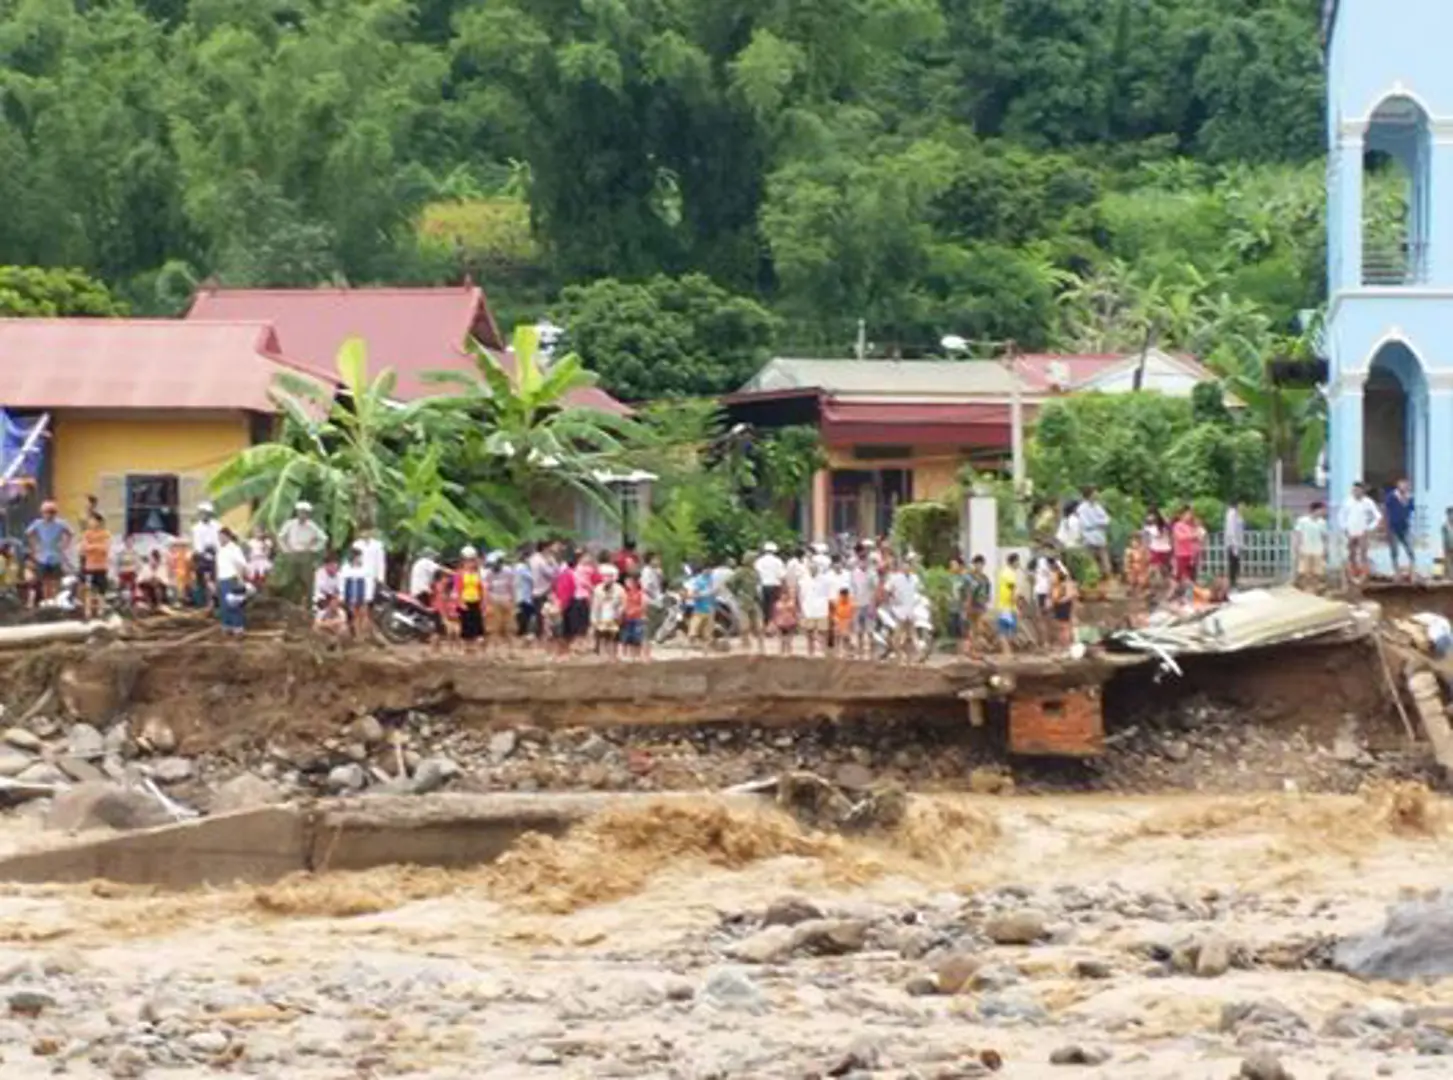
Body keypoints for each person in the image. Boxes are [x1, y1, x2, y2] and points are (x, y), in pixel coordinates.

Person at [275, 501, 328, 602]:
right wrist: (286, 550)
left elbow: (324, 538)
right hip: (292, 554)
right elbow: (280, 537)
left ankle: (307, 604)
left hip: (306, 555)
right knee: (290, 581)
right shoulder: (290, 524)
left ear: (308, 514)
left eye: (305, 513)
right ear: (297, 513)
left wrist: (313, 548)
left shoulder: (312, 526)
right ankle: (288, 602)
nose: (302, 515)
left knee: (307, 582)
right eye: (300, 512)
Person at [25, 501, 72, 603]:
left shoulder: (60, 523)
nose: (48, 515)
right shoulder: (38, 523)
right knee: (44, 580)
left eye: (51, 512)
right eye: (46, 512)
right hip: (42, 556)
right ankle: (47, 600)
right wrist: (35, 546)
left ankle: (56, 600)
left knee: (56, 580)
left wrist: (64, 545)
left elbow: (70, 533)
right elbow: (29, 533)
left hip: (56, 555)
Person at [1340, 482, 1382, 584]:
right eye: (1354, 490)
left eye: (1358, 490)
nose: (1356, 492)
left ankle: (1363, 576)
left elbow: (1378, 516)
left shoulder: (1368, 502)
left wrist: (1369, 528)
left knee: (1363, 554)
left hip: (1362, 531)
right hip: (1350, 531)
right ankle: (1353, 575)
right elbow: (1341, 516)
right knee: (1351, 554)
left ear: (1362, 491)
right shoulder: (1348, 502)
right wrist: (1344, 528)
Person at [882, 557, 922, 662]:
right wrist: (891, 600)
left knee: (912, 633)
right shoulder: (895, 578)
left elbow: (919, 591)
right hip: (900, 609)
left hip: (911, 609)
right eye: (904, 565)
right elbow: (886, 589)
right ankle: (900, 653)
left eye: (908, 565)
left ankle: (917, 654)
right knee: (898, 633)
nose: (906, 567)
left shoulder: (915, 578)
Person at [215, 526, 249, 636]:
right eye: (219, 537)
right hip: (222, 579)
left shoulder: (234, 548)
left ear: (228, 537)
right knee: (223, 605)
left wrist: (240, 578)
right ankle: (227, 626)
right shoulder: (220, 549)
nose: (220, 539)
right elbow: (218, 566)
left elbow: (241, 564)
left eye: (222, 537)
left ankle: (238, 627)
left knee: (233, 604)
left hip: (232, 578)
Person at [728, 555, 765, 654]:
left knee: (759, 625)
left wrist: (758, 596)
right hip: (743, 601)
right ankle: (745, 644)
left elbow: (758, 585)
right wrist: (736, 592)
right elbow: (729, 583)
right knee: (745, 626)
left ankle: (761, 646)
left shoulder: (755, 572)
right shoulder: (740, 572)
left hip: (753, 600)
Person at [79, 512, 112, 620]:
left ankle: (100, 611)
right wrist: (97, 547)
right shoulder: (86, 534)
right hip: (90, 566)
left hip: (102, 566)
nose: (90, 522)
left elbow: (106, 549)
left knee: (101, 591)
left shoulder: (105, 533)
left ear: (98, 521)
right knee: (88, 589)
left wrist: (92, 547)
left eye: (92, 520)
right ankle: (87, 612)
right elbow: (84, 548)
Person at [1075, 488, 1112, 579]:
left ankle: (1107, 581)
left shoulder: (1098, 506)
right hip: (1089, 539)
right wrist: (1099, 522)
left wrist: (1096, 522)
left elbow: (1107, 520)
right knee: (1091, 564)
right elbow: (1086, 524)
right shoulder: (1081, 508)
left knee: (1106, 565)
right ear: (1090, 494)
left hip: (1100, 538)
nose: (1097, 494)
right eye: (1095, 492)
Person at [454, 547, 486, 650]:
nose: (471, 564)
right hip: (465, 601)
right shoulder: (460, 574)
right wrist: (460, 602)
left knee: (477, 625)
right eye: (468, 561)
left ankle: (477, 648)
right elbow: (458, 589)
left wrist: (483, 602)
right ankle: (466, 648)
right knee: (466, 625)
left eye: (472, 561)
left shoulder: (477, 574)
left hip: (476, 601)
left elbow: (481, 588)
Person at [1385, 477, 1416, 581]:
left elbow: (1411, 510)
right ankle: (1396, 573)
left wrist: (1406, 500)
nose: (1405, 487)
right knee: (1394, 552)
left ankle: (1412, 572)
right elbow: (1386, 511)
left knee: (1410, 550)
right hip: (1393, 527)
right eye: (1402, 484)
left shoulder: (1410, 497)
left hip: (1405, 527)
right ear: (1398, 485)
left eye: (1406, 485)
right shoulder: (1391, 497)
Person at [190, 502, 221, 607]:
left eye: (206, 513)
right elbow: (198, 546)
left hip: (215, 555)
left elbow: (218, 542)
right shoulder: (196, 528)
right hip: (202, 556)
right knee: (203, 580)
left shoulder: (217, 526)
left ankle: (213, 601)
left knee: (214, 579)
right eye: (202, 513)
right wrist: (205, 554)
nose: (204, 515)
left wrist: (216, 553)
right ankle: (204, 602)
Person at [798, 560, 831, 657]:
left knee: (823, 633)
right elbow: (801, 595)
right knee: (809, 633)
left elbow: (828, 594)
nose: (813, 570)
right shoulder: (803, 580)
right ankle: (810, 654)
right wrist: (801, 609)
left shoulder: (825, 580)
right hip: (808, 610)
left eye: (814, 568)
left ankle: (825, 653)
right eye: (811, 568)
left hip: (822, 610)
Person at [591, 564, 625, 658]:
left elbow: (622, 604)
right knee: (602, 637)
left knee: (613, 638)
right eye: (605, 576)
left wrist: (619, 614)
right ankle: (602, 656)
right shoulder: (598, 589)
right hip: (601, 617)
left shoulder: (619, 589)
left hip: (614, 617)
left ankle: (613, 656)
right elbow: (595, 606)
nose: (607, 578)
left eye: (609, 576)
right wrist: (594, 619)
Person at [1293, 502, 1329, 587]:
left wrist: (1325, 548)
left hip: (1318, 549)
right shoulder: (1302, 521)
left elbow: (1324, 536)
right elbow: (1298, 534)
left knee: (1317, 571)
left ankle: (1314, 587)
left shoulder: (1322, 522)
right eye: (1321, 510)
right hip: (1305, 548)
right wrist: (1297, 546)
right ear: (1315, 510)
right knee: (1305, 570)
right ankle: (1305, 587)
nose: (1323, 512)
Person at [963, 555, 992, 658]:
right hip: (972, 605)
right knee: (972, 628)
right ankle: (972, 650)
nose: (979, 566)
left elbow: (988, 593)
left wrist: (986, 602)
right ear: (974, 564)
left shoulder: (985, 578)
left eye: (981, 564)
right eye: (977, 564)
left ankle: (975, 649)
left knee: (979, 629)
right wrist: (966, 604)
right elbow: (967, 592)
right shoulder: (969, 577)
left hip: (981, 605)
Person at [754, 543, 787, 634]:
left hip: (763, 586)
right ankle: (773, 628)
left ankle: (765, 627)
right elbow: (782, 576)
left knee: (765, 608)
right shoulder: (778, 561)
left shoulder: (759, 561)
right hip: (775, 586)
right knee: (774, 608)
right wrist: (785, 589)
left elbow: (756, 575)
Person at [1171, 506, 1204, 592]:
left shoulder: (1190, 526)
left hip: (1191, 555)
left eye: (1190, 514)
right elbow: (1180, 537)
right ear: (1182, 515)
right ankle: (1177, 595)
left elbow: (1198, 537)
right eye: (1187, 514)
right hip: (1181, 554)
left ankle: (1191, 595)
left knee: (1191, 576)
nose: (1189, 516)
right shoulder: (1177, 525)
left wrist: (1198, 537)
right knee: (1181, 577)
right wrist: (1193, 536)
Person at [341, 543, 370, 637]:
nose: (360, 559)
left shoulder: (365, 568)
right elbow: (342, 582)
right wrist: (342, 596)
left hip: (361, 593)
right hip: (350, 593)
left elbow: (368, 583)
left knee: (364, 615)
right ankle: (357, 635)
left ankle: (363, 634)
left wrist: (367, 596)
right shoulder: (345, 568)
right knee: (354, 615)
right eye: (358, 557)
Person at [686, 563, 716, 649]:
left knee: (708, 630)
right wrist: (703, 594)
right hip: (700, 608)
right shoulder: (698, 580)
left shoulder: (711, 579)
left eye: (711, 569)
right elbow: (692, 594)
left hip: (710, 607)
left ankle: (707, 646)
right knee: (694, 628)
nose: (710, 571)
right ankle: (692, 642)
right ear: (703, 570)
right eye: (708, 569)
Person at [995, 554, 1020, 656]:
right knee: (1006, 631)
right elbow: (1012, 590)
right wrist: (1015, 605)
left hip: (1004, 605)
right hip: (1007, 606)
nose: (1019, 564)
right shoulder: (1010, 573)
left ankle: (1007, 652)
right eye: (1018, 561)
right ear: (1013, 562)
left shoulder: (1004, 572)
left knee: (1005, 630)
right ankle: (1007, 653)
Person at [620, 571, 648, 661]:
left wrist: (634, 611)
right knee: (627, 638)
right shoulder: (625, 593)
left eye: (630, 581)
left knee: (637, 638)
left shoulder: (640, 593)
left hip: (637, 618)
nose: (627, 583)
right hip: (627, 618)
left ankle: (637, 655)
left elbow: (644, 605)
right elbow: (623, 605)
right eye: (627, 581)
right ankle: (628, 656)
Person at [1051, 562, 1078, 649]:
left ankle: (1067, 645)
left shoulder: (1066, 583)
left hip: (1063, 605)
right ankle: (1064, 645)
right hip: (1059, 604)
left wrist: (1060, 601)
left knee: (1065, 627)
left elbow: (1072, 595)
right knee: (1061, 627)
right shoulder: (1058, 582)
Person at [1144, 509, 1172, 585]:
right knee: (1157, 567)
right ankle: (1157, 582)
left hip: (1160, 549)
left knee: (1158, 568)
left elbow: (1157, 534)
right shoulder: (1153, 526)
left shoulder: (1156, 527)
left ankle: (1162, 582)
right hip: (1160, 549)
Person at [513, 549, 536, 640]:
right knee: (525, 614)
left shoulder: (522, 567)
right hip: (523, 594)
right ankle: (522, 632)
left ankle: (523, 631)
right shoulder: (521, 567)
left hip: (525, 594)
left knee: (526, 613)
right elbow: (532, 578)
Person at [773, 575, 799, 654]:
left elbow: (795, 611)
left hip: (789, 621)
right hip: (781, 622)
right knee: (782, 640)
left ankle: (788, 651)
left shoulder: (791, 602)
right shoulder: (778, 603)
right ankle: (783, 651)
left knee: (788, 640)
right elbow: (775, 614)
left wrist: (796, 619)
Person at [1224, 500, 1245, 590]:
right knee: (1233, 564)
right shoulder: (1231, 514)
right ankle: (1232, 583)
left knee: (1236, 564)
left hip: (1237, 543)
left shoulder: (1237, 514)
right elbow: (1231, 530)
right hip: (1233, 543)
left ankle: (1234, 582)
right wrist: (1234, 544)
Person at [831, 587, 855, 658]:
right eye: (841, 595)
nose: (843, 597)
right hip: (839, 620)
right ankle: (837, 651)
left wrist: (850, 621)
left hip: (847, 621)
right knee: (837, 636)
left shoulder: (851, 602)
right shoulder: (837, 601)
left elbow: (852, 614)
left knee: (846, 636)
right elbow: (834, 612)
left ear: (847, 595)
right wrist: (835, 619)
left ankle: (848, 651)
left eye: (844, 595)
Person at [116, 535, 139, 607]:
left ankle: (132, 604)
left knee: (133, 588)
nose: (129, 542)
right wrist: (118, 573)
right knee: (122, 588)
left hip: (132, 573)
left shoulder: (135, 553)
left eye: (131, 541)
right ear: (125, 542)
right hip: (123, 573)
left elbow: (138, 565)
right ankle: (123, 603)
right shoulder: (121, 553)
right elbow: (117, 564)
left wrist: (136, 571)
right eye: (128, 541)